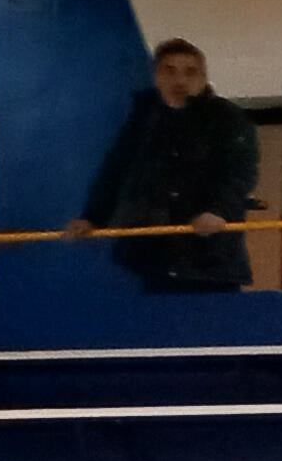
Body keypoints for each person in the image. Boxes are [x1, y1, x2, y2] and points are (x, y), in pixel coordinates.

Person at [65, 39, 257, 294]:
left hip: (211, 258)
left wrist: (218, 211)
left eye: (190, 72)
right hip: (151, 257)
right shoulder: (141, 121)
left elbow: (238, 172)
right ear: (156, 77)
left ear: (203, 78)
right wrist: (91, 217)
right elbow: (114, 172)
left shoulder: (227, 119)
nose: (180, 81)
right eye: (170, 71)